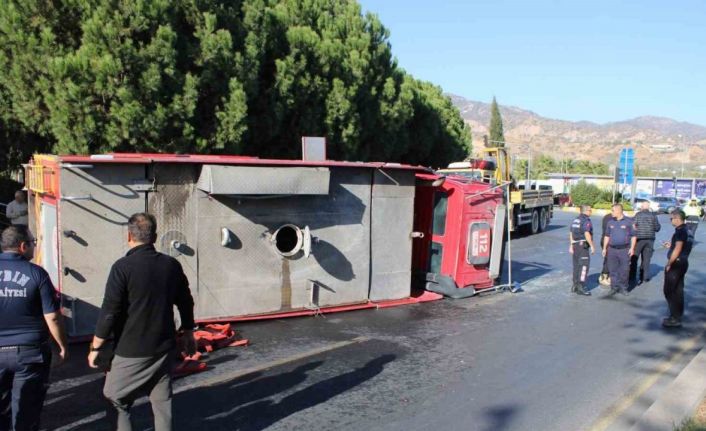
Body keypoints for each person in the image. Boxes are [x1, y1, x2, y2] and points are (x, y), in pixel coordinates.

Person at [87, 213, 197, 431]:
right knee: (162, 402)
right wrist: (188, 332)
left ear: (129, 235)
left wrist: (96, 346)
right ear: (154, 236)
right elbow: (185, 301)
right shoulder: (171, 265)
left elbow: (110, 311)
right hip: (164, 345)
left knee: (115, 398)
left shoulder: (122, 268)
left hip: (130, 349)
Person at [0, 225, 68, 431]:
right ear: (23, 246)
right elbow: (53, 318)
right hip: (29, 353)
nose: (34, 248)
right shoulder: (37, 273)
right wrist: (61, 346)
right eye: (33, 243)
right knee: (27, 409)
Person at [661, 210, 693, 328]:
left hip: (677, 264)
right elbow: (682, 246)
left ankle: (675, 317)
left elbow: (678, 248)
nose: (671, 220)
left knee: (669, 290)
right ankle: (678, 314)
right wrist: (671, 246)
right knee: (678, 289)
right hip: (683, 262)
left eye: (671, 218)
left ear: (677, 219)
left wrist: (669, 264)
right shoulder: (688, 230)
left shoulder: (680, 231)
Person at [602, 204, 636, 296]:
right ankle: (614, 287)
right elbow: (607, 236)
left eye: (613, 210)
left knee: (624, 270)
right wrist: (605, 248)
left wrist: (632, 248)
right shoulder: (610, 222)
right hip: (612, 250)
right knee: (613, 270)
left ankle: (623, 287)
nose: (611, 212)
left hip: (624, 250)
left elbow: (633, 236)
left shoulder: (629, 222)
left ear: (619, 211)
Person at [630, 201, 661, 284]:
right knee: (646, 259)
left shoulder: (638, 215)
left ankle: (632, 275)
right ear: (648, 207)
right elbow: (657, 228)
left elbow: (632, 225)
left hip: (639, 239)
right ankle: (644, 277)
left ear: (642, 207)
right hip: (650, 240)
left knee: (634, 258)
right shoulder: (653, 216)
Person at [569, 205, 595, 296]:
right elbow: (586, 233)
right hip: (583, 246)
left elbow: (571, 232)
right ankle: (581, 286)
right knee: (584, 266)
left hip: (576, 245)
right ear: (586, 211)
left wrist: (571, 245)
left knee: (576, 266)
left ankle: (575, 285)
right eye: (590, 210)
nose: (591, 211)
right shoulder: (586, 220)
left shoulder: (576, 219)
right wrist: (592, 245)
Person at [598, 211, 615, 286]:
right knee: (609, 259)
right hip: (608, 240)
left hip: (604, 239)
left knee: (607, 258)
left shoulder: (606, 217)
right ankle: (604, 276)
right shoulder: (612, 219)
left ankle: (606, 276)